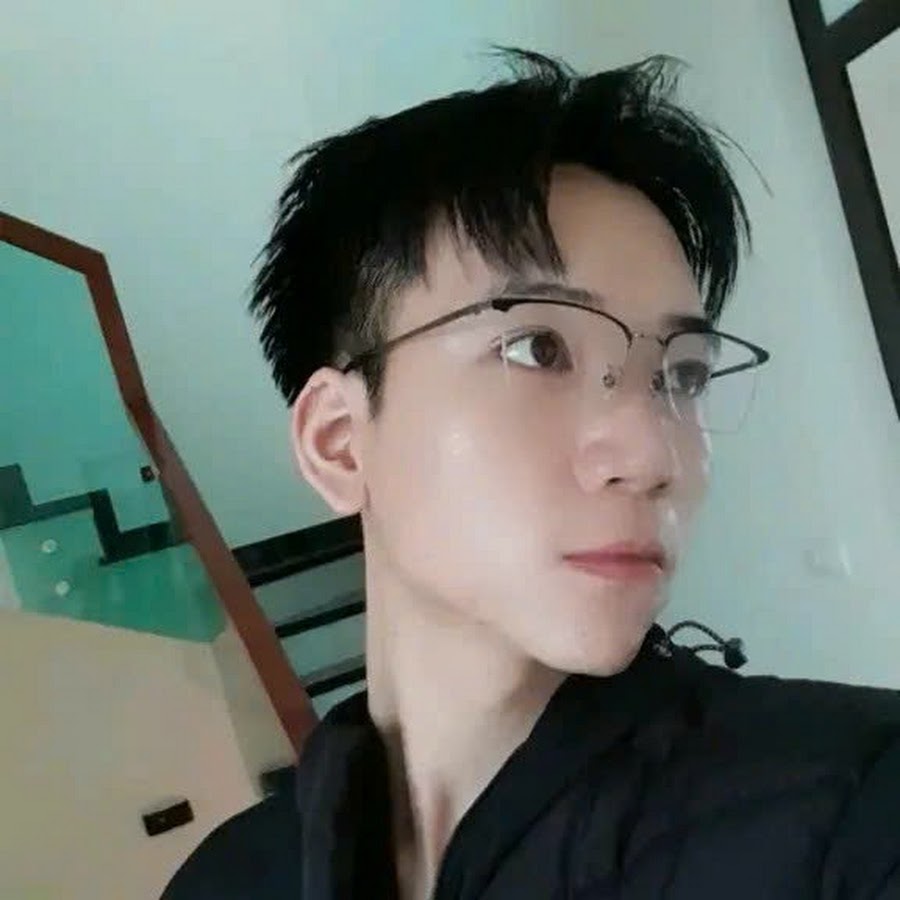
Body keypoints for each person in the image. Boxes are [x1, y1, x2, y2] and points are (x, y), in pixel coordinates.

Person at [163, 50, 900, 899]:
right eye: (538, 348)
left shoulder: (856, 804)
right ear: (339, 443)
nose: (652, 456)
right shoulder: (223, 882)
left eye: (683, 373)